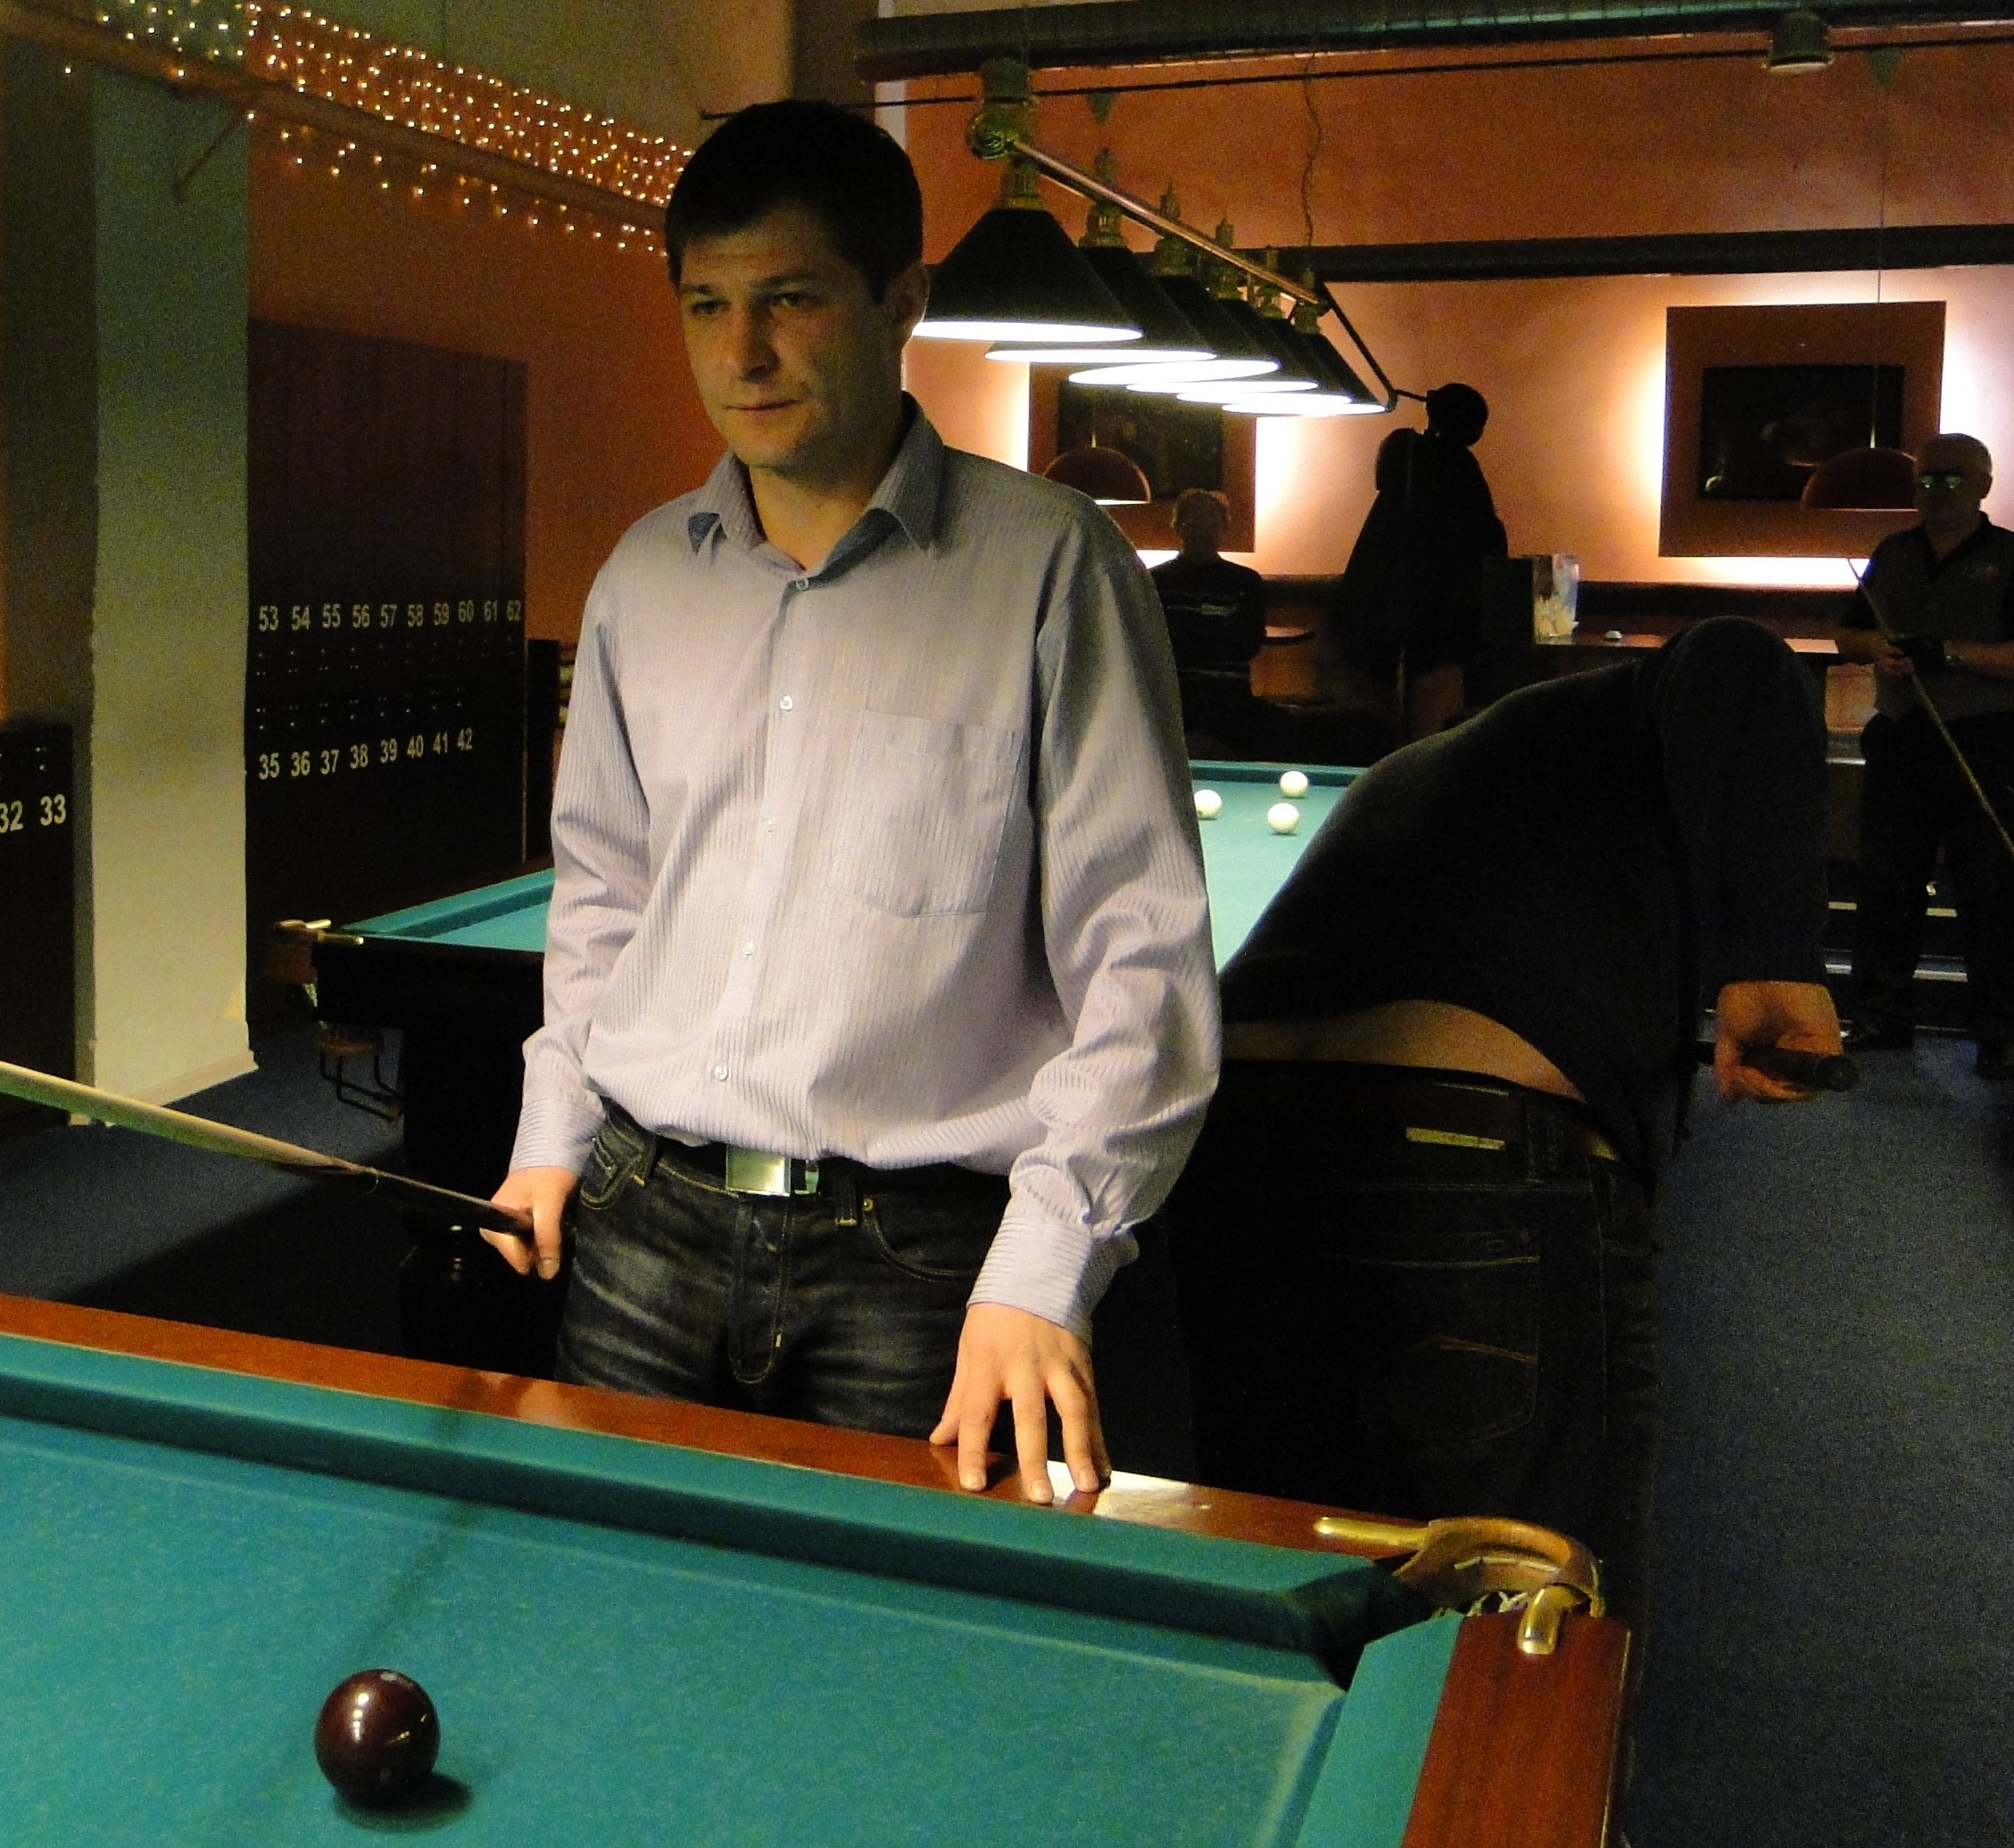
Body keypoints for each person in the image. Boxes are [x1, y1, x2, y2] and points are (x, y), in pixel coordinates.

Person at [484, 99, 1216, 1507]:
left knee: (907, 1629)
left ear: (902, 304)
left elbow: (1143, 960)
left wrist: (1045, 1265)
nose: (740, 353)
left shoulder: (1052, 566)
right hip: (642, 1226)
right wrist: (551, 1138)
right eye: (706, 306)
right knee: (612, 1593)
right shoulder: (644, 576)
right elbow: (604, 899)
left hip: (922, 1263)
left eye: (791, 300)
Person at [1166, 617, 1842, 1615]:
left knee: (1298, 1584)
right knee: (1531, 1624)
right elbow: (1740, 658)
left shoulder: (1418, 770)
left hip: (1231, 1153)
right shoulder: (1621, 712)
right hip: (1463, 1150)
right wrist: (1772, 958)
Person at [1834, 432, 2014, 1079]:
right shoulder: (1893, 552)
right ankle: (1880, 1017)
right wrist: (1878, 649)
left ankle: (1999, 1032)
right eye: (1926, 479)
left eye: (1952, 478)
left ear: (1984, 485)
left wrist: (1950, 653)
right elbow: (1848, 632)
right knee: (1886, 886)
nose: (1937, 491)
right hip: (1902, 737)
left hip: (1980, 742)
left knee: (1987, 892)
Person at [1327, 383, 1507, 738]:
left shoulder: (1410, 456)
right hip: (1439, 615)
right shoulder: (1456, 468)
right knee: (1431, 714)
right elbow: (1485, 543)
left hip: (1393, 606)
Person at [1149, 489, 1271, 750]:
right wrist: (1216, 630)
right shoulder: (1155, 581)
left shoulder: (1246, 581)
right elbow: (1153, 644)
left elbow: (1248, 644)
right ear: (1179, 527)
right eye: (1195, 523)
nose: (1204, 532)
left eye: (1212, 524)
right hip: (1176, 699)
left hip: (1230, 699)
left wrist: (1188, 633)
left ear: (1224, 528)